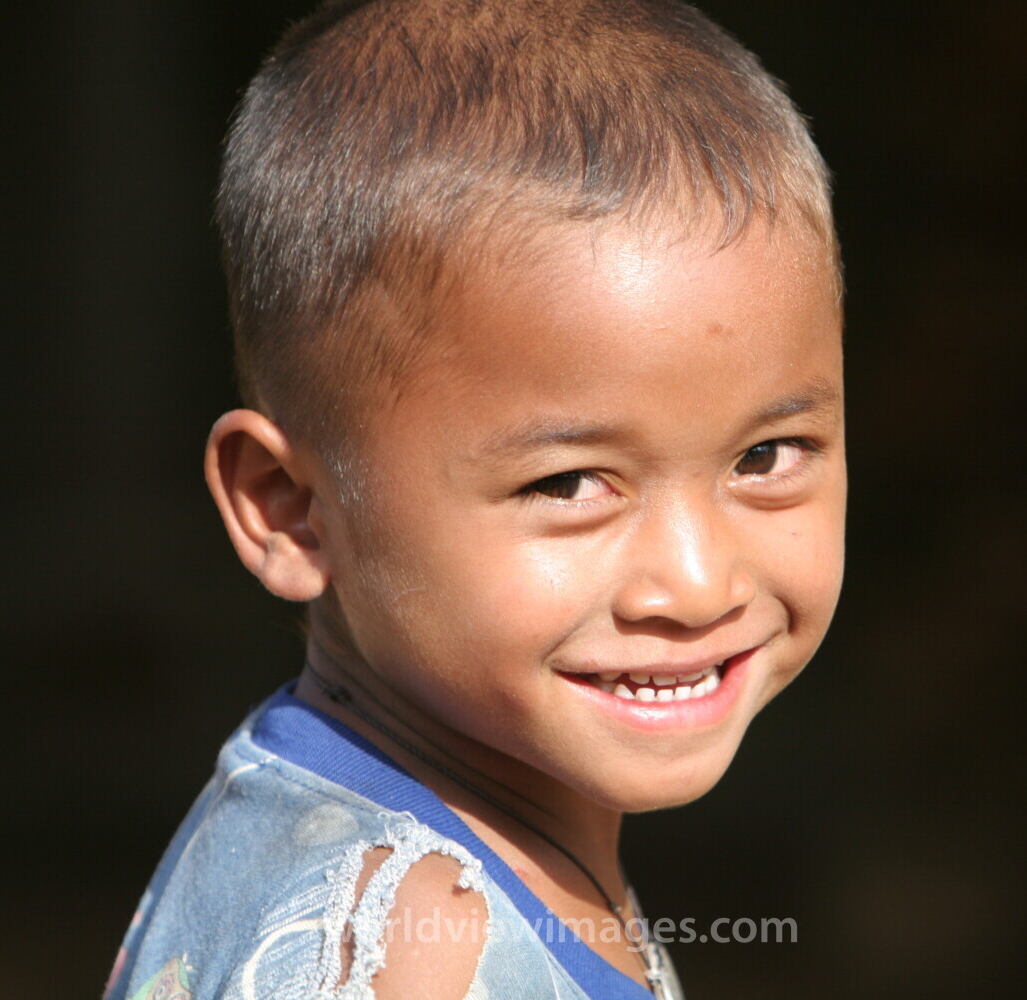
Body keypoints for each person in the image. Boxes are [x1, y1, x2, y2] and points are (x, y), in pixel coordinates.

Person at [104, 1, 844, 997]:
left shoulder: (414, 834)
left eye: (765, 455)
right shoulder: (414, 944)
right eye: (570, 482)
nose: (699, 580)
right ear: (290, 506)